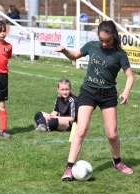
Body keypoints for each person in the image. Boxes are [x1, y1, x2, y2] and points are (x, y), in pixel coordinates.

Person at [55, 20, 135, 181]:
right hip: (88, 92)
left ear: (114, 37)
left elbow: (130, 76)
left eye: (107, 40)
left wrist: (126, 92)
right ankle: (69, 168)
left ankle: (117, 162)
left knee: (112, 134)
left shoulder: (120, 54)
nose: (104, 43)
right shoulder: (91, 46)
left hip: (108, 95)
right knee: (81, 129)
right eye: (101, 40)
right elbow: (75, 55)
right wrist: (64, 51)